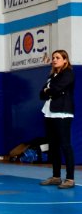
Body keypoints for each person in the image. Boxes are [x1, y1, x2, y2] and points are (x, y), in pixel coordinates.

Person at [39, 50, 75, 189]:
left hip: (62, 113)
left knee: (65, 145)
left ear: (65, 60)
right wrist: (48, 90)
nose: (54, 60)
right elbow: (41, 94)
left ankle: (70, 179)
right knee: (53, 146)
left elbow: (55, 89)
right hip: (49, 113)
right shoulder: (52, 75)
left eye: (58, 58)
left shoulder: (68, 74)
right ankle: (56, 177)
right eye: (53, 58)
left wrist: (49, 90)